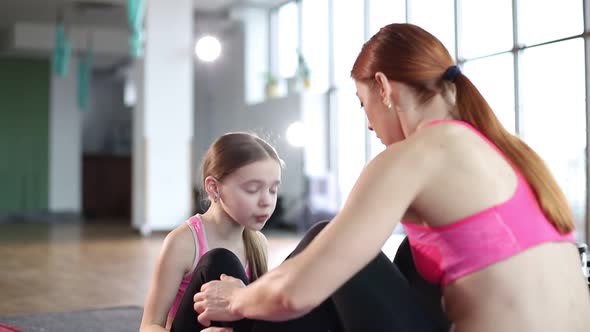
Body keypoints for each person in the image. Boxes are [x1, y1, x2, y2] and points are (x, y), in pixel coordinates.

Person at [193, 23, 590, 332]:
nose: (368, 125)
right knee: (410, 258)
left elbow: (297, 293)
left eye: (363, 105)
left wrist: (239, 300)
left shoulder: (413, 157)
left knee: (318, 243)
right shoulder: (508, 154)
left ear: (382, 88)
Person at [139, 132, 282, 332]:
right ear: (214, 188)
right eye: (252, 189)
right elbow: (149, 325)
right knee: (221, 260)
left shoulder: (258, 243)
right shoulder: (183, 242)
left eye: (273, 190)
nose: (267, 201)